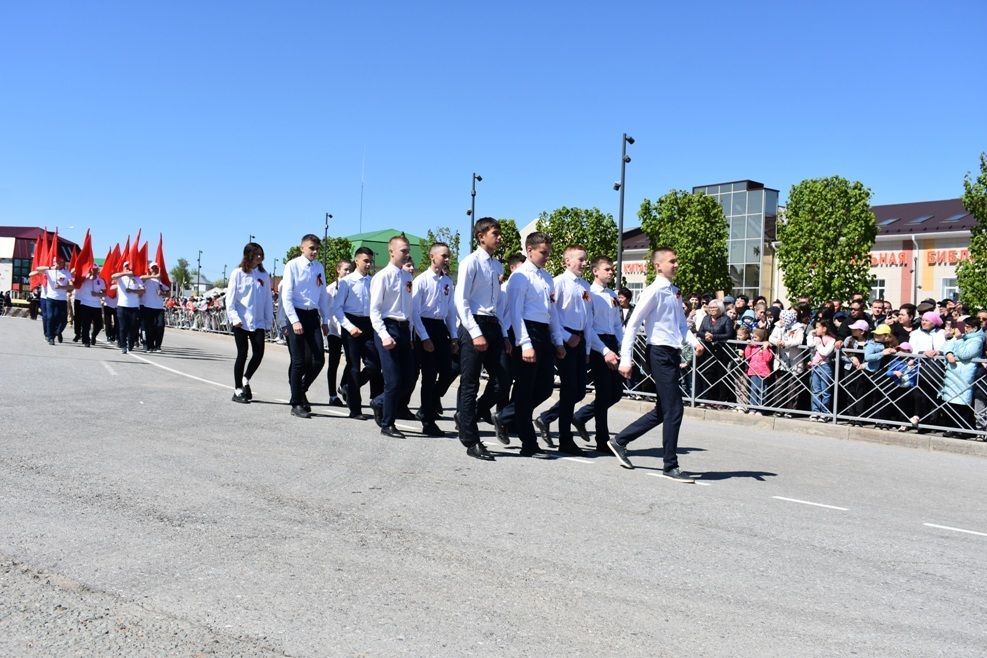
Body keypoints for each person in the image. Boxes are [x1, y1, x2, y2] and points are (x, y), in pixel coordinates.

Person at [607, 247, 704, 482]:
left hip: (672, 353)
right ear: (658, 266)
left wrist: (694, 341)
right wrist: (626, 359)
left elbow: (681, 325)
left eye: (677, 261)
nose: (676, 265)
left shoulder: (674, 291)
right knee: (674, 409)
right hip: (658, 353)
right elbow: (632, 325)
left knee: (663, 410)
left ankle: (620, 441)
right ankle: (670, 465)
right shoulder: (653, 291)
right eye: (672, 261)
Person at [496, 232, 564, 458]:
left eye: (548, 253)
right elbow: (515, 313)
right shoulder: (520, 277)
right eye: (543, 252)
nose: (546, 257)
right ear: (529, 250)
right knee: (525, 391)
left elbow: (552, 312)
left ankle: (505, 415)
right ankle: (528, 443)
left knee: (544, 387)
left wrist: (557, 340)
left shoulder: (547, 278)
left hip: (543, 332)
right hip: (527, 332)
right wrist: (524, 343)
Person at [535, 245, 600, 455]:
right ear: (567, 261)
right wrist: (562, 339)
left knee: (579, 390)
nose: (584, 263)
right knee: (570, 389)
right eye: (579, 259)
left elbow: (588, 319)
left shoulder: (585, 286)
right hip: (566, 338)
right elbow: (552, 314)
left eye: (585, 259)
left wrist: (587, 347)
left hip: (580, 339)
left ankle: (546, 418)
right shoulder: (559, 283)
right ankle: (565, 439)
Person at [455, 218, 511, 461]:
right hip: (473, 324)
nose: (499, 238)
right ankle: (471, 440)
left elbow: (498, 303)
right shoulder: (470, 262)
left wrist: (504, 334)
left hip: (493, 325)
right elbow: (461, 299)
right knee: (470, 383)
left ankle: (467, 415)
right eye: (495, 234)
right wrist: (475, 331)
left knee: (503, 379)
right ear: (481, 236)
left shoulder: (497, 266)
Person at [572, 255, 624, 453]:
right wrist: (603, 350)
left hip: (611, 341)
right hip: (597, 343)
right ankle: (602, 440)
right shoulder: (589, 292)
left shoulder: (612, 294)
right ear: (595, 271)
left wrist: (622, 345)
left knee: (616, 392)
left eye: (611, 269)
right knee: (604, 393)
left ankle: (582, 416)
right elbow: (589, 326)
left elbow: (617, 323)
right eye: (607, 269)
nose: (611, 272)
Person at [368, 235, 415, 439]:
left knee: (408, 378)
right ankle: (388, 424)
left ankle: (379, 402)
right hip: (388, 328)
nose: (407, 254)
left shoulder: (407, 277)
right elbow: (375, 311)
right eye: (403, 250)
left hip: (404, 330)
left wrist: (411, 333)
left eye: (408, 250)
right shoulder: (382, 277)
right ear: (392, 252)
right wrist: (384, 335)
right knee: (393, 380)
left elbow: (409, 309)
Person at [281, 234, 332, 419]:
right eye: (311, 248)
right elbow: (286, 295)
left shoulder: (318, 267)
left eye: (317, 248)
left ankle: (301, 390)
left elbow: (323, 295)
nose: (315, 251)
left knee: (318, 360)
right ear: (302, 248)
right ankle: (296, 403)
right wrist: (294, 320)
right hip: (297, 312)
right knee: (299, 361)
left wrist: (325, 320)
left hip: (313, 315)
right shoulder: (292, 265)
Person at [412, 242, 459, 437]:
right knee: (429, 377)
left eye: (448, 256)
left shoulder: (447, 282)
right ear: (433, 257)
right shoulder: (421, 280)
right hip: (425, 325)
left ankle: (428, 406)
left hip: (440, 328)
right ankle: (428, 420)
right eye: (443, 256)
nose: (447, 259)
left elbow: (450, 311)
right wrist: (424, 337)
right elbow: (414, 312)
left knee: (448, 370)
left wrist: (454, 336)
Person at [475, 253, 524, 429]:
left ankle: (500, 415)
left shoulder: (519, 287)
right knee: (503, 376)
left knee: (510, 378)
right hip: (503, 332)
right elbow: (500, 315)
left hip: (513, 333)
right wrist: (505, 336)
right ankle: (488, 411)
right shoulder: (503, 290)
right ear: (513, 268)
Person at [334, 247, 382, 420]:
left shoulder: (373, 281)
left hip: (368, 324)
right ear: (357, 261)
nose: (368, 264)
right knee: (354, 366)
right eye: (365, 261)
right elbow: (337, 308)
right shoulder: (347, 282)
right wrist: (349, 326)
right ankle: (355, 409)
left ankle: (348, 387)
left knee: (374, 365)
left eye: (370, 261)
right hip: (351, 323)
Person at [225, 242, 274, 404]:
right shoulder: (238, 273)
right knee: (242, 354)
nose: (259, 257)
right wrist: (234, 318)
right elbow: (230, 299)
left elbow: (267, 299)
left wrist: (268, 321)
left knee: (259, 353)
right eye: (256, 254)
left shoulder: (264, 275)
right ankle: (238, 389)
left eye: (261, 254)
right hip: (241, 321)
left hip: (258, 321)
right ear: (248, 255)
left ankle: (246, 378)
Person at [939, 315, 984, 438]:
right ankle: (952, 428)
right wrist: (949, 353)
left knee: (962, 403)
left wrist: (958, 340)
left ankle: (964, 430)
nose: (965, 329)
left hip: (964, 374)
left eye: (967, 327)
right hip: (953, 373)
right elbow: (947, 345)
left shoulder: (977, 340)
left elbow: (965, 354)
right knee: (950, 402)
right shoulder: (963, 337)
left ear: (974, 328)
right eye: (964, 326)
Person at [325, 260, 352, 408]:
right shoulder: (331, 289)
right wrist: (339, 327)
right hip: (335, 330)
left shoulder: (350, 286)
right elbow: (330, 311)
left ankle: (343, 385)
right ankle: (332, 395)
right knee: (333, 363)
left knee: (352, 361)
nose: (348, 273)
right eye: (345, 270)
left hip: (348, 330)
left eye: (350, 270)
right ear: (338, 270)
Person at [29, 254, 73, 345]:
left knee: (63, 320)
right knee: (50, 317)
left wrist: (61, 287)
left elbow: (71, 286)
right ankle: (50, 337)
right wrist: (50, 268)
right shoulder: (49, 271)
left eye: (58, 262)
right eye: (54, 262)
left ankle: (57, 332)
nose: (56, 263)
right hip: (50, 298)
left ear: (62, 262)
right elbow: (37, 269)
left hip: (62, 299)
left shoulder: (67, 273)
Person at [112, 261, 144, 354]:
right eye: (126, 266)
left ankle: (131, 342)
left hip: (134, 307)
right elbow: (113, 277)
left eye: (129, 266)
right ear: (123, 268)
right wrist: (125, 273)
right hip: (122, 306)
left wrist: (132, 291)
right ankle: (123, 346)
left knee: (133, 327)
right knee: (123, 327)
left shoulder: (137, 279)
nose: (128, 267)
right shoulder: (120, 278)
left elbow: (142, 291)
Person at [807, 320, 837, 421]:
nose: (816, 329)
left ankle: (825, 413)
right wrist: (811, 334)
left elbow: (825, 352)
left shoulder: (832, 340)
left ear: (824, 328)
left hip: (825, 366)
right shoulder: (816, 338)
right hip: (815, 365)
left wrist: (818, 344)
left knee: (825, 391)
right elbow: (809, 344)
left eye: (818, 327)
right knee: (816, 390)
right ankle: (815, 412)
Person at [140, 262, 170, 352]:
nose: (154, 269)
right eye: (153, 268)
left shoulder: (161, 281)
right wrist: (154, 277)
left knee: (160, 326)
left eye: (156, 268)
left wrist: (163, 293)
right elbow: (141, 278)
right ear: (149, 269)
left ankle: (158, 345)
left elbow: (168, 293)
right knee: (149, 327)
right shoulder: (147, 279)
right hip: (147, 307)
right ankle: (149, 346)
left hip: (159, 308)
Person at [74, 265, 105, 347]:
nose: (94, 271)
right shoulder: (84, 279)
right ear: (90, 270)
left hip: (96, 305)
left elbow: (105, 293)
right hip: (85, 304)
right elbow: (75, 275)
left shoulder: (101, 281)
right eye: (92, 269)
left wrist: (97, 294)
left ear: (98, 270)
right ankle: (86, 340)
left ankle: (94, 335)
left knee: (99, 325)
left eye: (96, 269)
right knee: (86, 324)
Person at [744, 327, 773, 414]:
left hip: (763, 372)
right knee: (753, 389)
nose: (753, 339)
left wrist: (765, 348)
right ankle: (752, 407)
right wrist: (748, 346)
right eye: (753, 337)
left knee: (762, 390)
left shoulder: (766, 347)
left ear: (761, 338)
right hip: (753, 371)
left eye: (756, 337)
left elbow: (768, 358)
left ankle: (761, 409)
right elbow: (747, 356)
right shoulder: (753, 347)